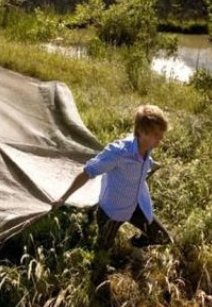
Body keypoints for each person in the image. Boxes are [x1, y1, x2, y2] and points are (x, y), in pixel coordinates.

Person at [51, 104, 172, 298]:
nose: (161, 139)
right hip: (111, 213)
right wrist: (63, 197)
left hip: (135, 207)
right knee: (100, 259)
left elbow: (143, 164)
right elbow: (87, 171)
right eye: (157, 134)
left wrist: (152, 165)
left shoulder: (146, 148)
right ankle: (94, 294)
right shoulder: (118, 152)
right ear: (141, 132)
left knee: (161, 237)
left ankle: (135, 244)